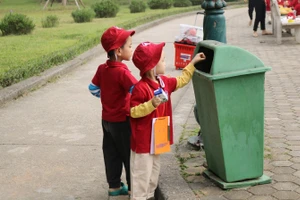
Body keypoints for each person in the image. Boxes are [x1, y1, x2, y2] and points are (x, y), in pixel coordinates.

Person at [129, 41, 206, 200]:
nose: (166, 62)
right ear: (151, 66)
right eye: (163, 60)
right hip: (143, 142)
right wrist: (151, 104)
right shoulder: (141, 88)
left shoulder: (164, 82)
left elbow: (182, 80)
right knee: (141, 176)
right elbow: (133, 112)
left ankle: (149, 196)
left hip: (157, 139)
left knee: (153, 174)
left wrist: (192, 63)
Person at [88, 26, 138, 197]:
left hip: (107, 121)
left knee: (111, 153)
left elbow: (92, 88)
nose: (132, 49)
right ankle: (133, 188)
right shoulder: (123, 72)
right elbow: (137, 90)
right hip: (123, 121)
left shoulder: (102, 69)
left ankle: (114, 187)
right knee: (128, 155)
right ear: (118, 50)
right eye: (130, 46)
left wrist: (107, 96)